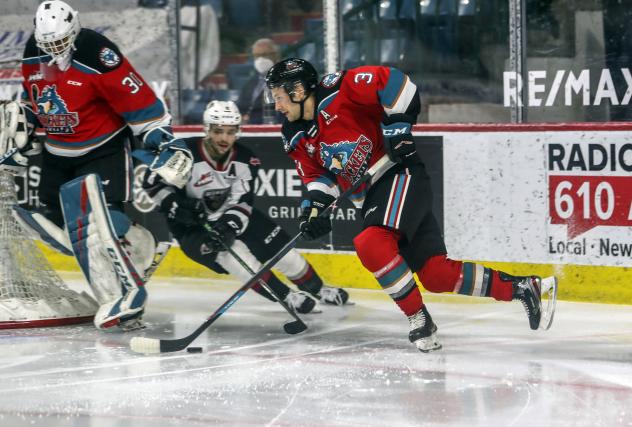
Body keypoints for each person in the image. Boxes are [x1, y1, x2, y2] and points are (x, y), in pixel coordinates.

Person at [264, 58, 558, 352]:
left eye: (278, 96)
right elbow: (319, 177)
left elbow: (397, 84)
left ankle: (419, 319)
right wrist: (315, 208)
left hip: (399, 174)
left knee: (370, 243)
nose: (276, 105)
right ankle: (523, 288)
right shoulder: (294, 134)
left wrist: (398, 128)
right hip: (371, 197)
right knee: (435, 274)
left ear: (299, 90)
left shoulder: (339, 89)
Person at [0, 0, 193, 331]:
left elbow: (138, 98)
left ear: (74, 29)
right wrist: (27, 123)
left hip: (102, 148)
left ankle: (124, 298)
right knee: (53, 224)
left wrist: (162, 138)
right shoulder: (35, 49)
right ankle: (138, 243)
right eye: (48, 44)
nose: (54, 50)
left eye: (60, 42)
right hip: (58, 150)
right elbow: (38, 95)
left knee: (91, 224)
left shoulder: (97, 52)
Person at [142, 100, 350, 313]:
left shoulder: (245, 159)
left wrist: (228, 225)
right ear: (207, 129)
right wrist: (177, 206)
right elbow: (151, 183)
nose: (224, 138)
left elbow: (242, 201)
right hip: (193, 228)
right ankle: (287, 297)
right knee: (234, 254)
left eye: (230, 132)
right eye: (218, 131)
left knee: (284, 253)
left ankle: (320, 289)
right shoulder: (184, 154)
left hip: (233, 217)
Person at [237, 38, 283, 124]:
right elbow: (241, 105)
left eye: (265, 55)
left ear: (276, 55)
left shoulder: (286, 78)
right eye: (257, 56)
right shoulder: (251, 82)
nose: (260, 59)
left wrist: (250, 117)